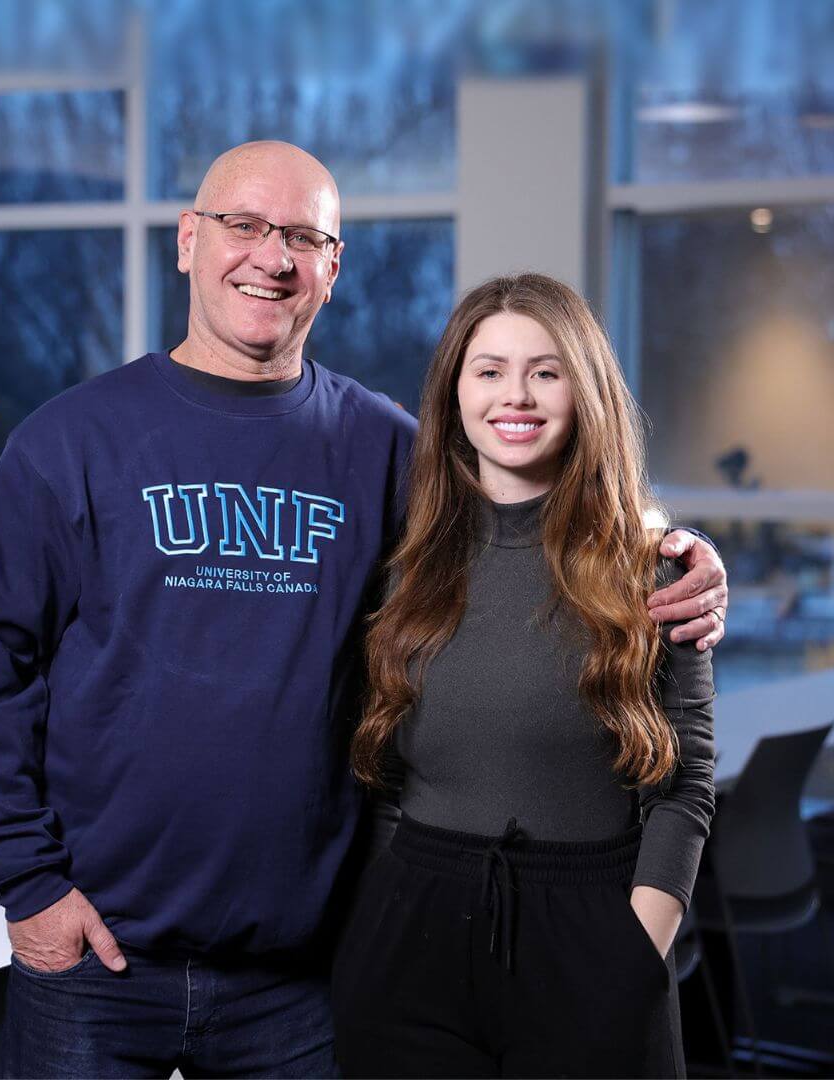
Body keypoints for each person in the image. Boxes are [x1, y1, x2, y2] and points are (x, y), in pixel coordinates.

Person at [0, 143, 727, 1079]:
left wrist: (678, 556)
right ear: (188, 240)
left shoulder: (390, 454)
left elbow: (541, 517)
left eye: (304, 236)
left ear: (332, 267)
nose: (272, 256)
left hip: (306, 976)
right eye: (244, 226)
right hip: (98, 960)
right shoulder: (69, 443)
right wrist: (28, 889)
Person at [332, 273, 716, 1079]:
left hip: (592, 935)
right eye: (490, 370)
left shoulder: (658, 568)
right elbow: (385, 782)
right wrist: (369, 931)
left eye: (546, 371)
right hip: (411, 937)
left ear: (586, 391)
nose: (518, 395)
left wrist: (631, 963)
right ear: (454, 394)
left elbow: (684, 786)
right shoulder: (404, 566)